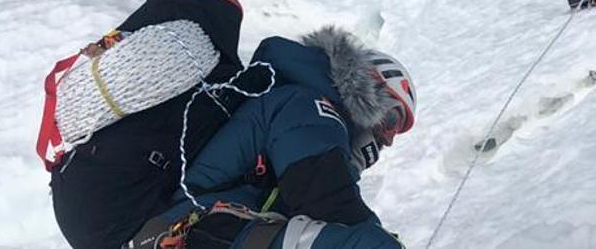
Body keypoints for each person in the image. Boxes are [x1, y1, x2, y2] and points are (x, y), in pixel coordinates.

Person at [130, 25, 416, 249]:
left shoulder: (311, 116)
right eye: (392, 120)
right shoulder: (307, 105)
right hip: (196, 228)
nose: (387, 140)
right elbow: (325, 198)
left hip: (205, 230)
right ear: (368, 88)